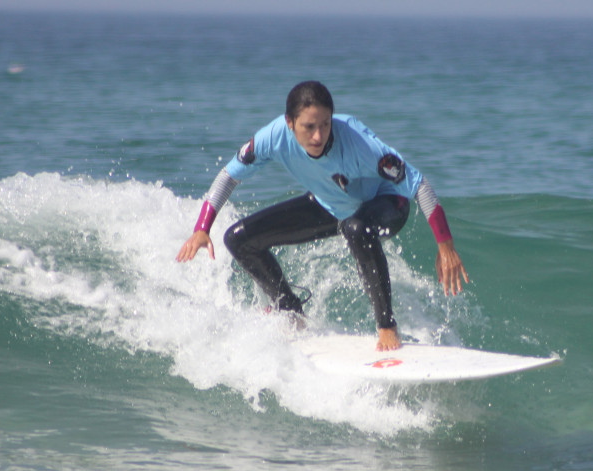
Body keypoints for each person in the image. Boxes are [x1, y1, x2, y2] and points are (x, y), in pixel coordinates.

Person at [176, 81, 469, 351]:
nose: (318, 135)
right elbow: (229, 176)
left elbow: (418, 184)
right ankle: (290, 312)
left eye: (325, 124)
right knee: (239, 240)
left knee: (356, 228)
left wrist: (446, 246)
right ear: (290, 123)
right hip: (332, 203)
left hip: (387, 202)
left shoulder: (359, 145)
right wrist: (203, 228)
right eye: (309, 126)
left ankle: (387, 327)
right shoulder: (272, 138)